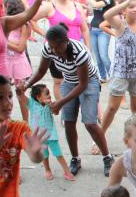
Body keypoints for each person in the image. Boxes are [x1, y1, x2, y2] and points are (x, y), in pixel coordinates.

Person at [24, 23, 112, 177]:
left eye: (58, 46)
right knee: (69, 121)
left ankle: (107, 157)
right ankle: (75, 159)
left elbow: (83, 84)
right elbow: (41, 71)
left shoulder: (79, 52)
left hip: (89, 82)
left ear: (66, 41)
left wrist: (60, 102)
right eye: (51, 46)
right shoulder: (49, 49)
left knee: (90, 122)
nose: (54, 51)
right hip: (69, 81)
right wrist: (26, 85)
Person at [34, 0, 91, 101]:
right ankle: (63, 108)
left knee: (80, 80)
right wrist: (46, 35)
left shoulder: (77, 6)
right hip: (56, 52)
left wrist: (88, 48)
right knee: (60, 81)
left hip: (76, 51)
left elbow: (85, 29)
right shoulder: (50, 7)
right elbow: (31, 19)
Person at [17, 84, 75, 181]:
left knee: (58, 154)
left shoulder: (50, 105)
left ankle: (66, 171)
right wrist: (20, 88)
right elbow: (21, 97)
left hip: (51, 135)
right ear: (38, 97)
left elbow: (56, 112)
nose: (49, 95)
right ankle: (47, 170)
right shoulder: (31, 104)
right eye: (47, 93)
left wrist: (52, 105)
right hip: (39, 137)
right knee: (44, 155)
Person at [86, 0, 115, 83]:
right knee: (97, 57)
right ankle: (103, 76)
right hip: (93, 29)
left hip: (104, 30)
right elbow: (94, 9)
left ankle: (113, 77)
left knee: (103, 55)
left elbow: (96, 5)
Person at [4, 0, 32, 95]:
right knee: (3, 92)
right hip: (5, 62)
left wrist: (4, 42)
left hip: (18, 62)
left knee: (20, 93)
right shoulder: (4, 23)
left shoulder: (23, 24)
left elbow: (21, 48)